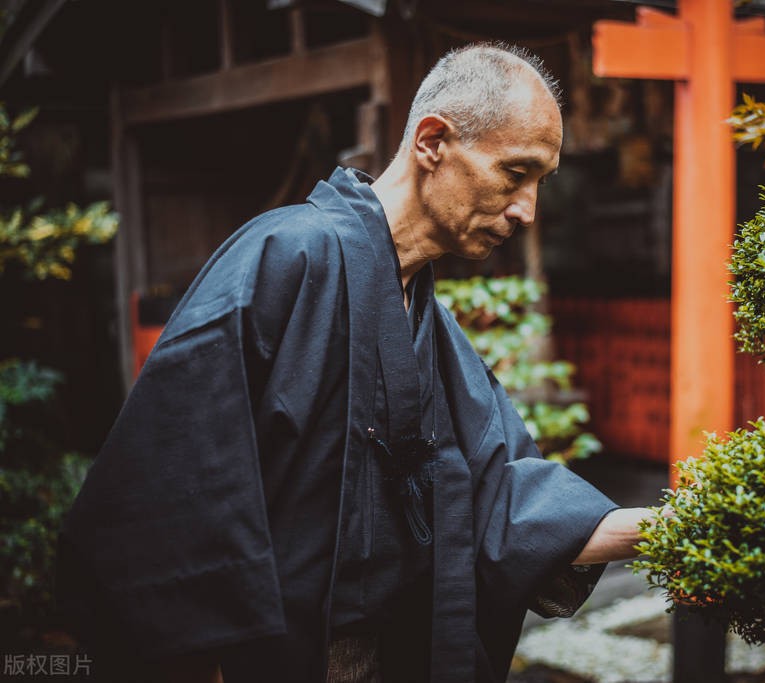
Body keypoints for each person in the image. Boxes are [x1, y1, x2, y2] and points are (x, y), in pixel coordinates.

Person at [58, 43, 659, 683]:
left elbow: (503, 500)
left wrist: (668, 530)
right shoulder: (285, 257)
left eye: (540, 183)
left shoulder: (431, 324)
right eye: (515, 174)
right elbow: (172, 481)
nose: (527, 209)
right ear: (432, 142)